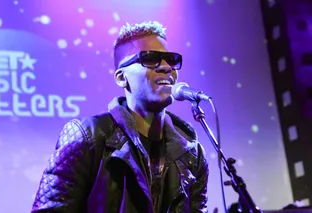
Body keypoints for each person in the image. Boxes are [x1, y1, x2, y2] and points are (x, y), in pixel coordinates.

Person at [31, 20, 209, 213]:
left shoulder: (192, 153)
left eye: (171, 59)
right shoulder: (87, 136)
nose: (167, 67)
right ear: (121, 77)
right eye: (150, 58)